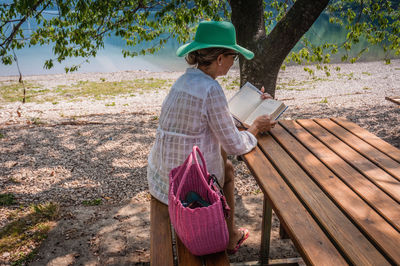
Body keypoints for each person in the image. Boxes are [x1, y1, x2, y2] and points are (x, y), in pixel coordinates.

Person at [147, 20, 276, 254]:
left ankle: (229, 233)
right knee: (227, 169)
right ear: (219, 59)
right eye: (232, 57)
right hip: (185, 189)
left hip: (162, 179)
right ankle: (229, 236)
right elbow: (235, 145)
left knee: (224, 167)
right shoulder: (211, 88)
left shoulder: (184, 81)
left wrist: (252, 109)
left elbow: (211, 118)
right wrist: (256, 126)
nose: (232, 62)